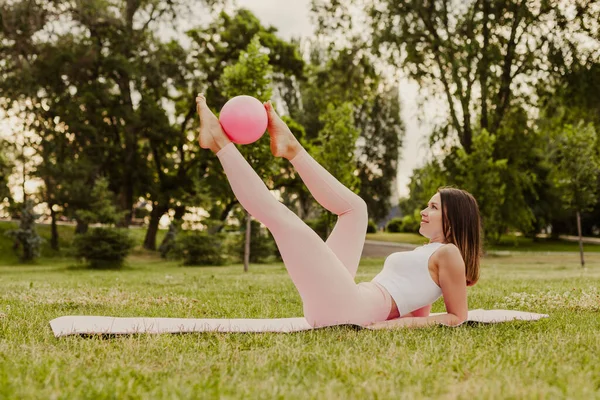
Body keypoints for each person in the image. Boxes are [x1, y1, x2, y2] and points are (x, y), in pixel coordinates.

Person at [196, 94, 482, 329]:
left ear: (454, 220)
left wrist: (383, 327)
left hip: (350, 311)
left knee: (283, 219)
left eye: (433, 207)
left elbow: (457, 317)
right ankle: (292, 148)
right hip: (348, 300)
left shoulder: (449, 254)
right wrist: (396, 319)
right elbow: (414, 312)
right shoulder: (429, 254)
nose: (423, 211)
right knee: (356, 209)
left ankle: (220, 143)